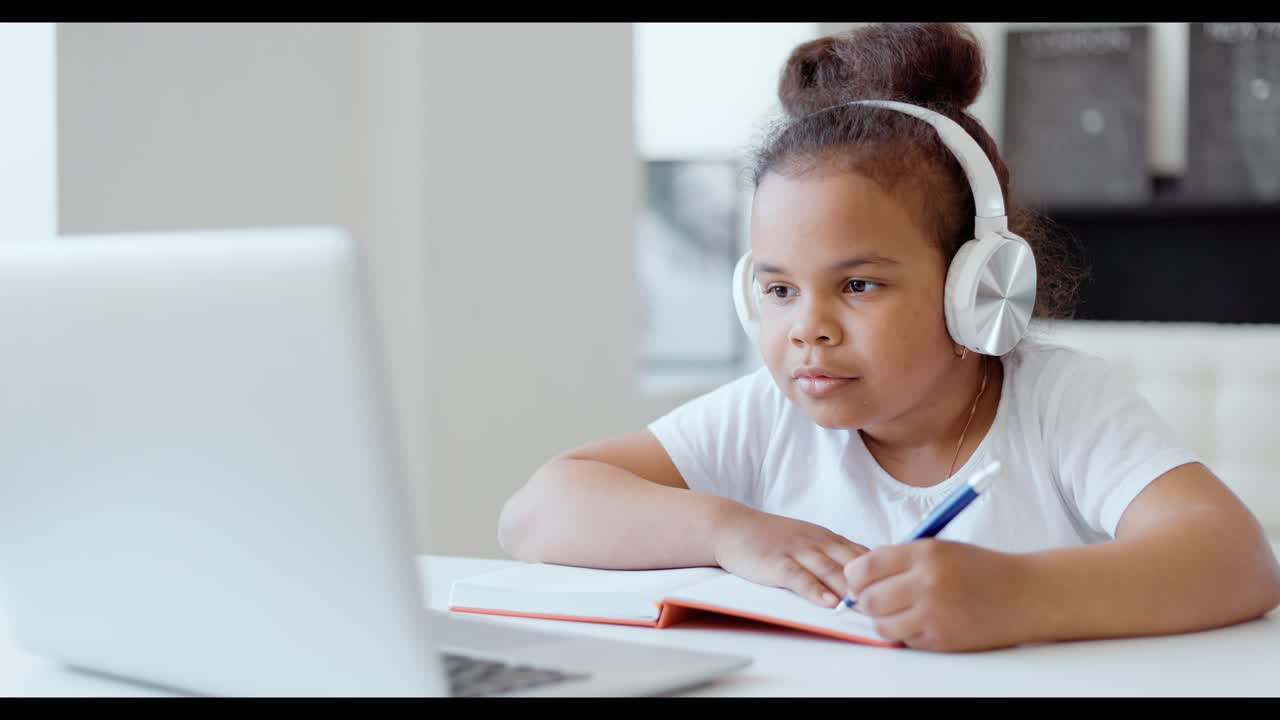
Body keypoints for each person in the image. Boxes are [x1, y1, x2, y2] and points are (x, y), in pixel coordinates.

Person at [497, 22, 1280, 652]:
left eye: (858, 284)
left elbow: (1236, 560)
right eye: (777, 290)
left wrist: (1020, 595)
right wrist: (728, 530)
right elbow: (534, 514)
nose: (807, 329)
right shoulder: (767, 417)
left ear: (978, 290)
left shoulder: (1060, 404)